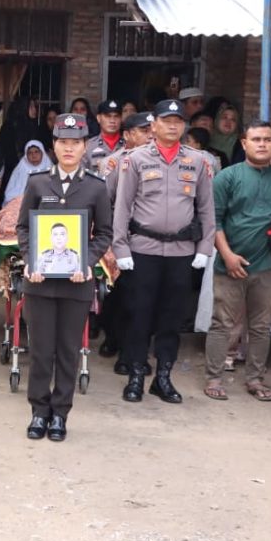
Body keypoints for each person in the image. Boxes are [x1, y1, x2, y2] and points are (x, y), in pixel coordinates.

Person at [112, 99, 216, 404]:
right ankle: (134, 377)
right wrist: (121, 247)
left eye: (178, 121)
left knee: (171, 319)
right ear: (153, 124)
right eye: (166, 120)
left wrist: (204, 247)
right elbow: (122, 206)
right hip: (142, 249)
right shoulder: (135, 160)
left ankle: (164, 378)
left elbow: (207, 210)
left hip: (181, 252)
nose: (173, 125)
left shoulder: (198, 161)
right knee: (139, 316)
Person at [17, 113, 113, 441]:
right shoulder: (38, 182)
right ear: (53, 146)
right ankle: (38, 411)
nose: (69, 148)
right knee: (41, 349)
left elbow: (104, 233)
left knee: (68, 351)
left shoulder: (96, 188)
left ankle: (60, 414)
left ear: (85, 147)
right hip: (41, 283)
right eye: (63, 142)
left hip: (76, 282)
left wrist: (87, 261)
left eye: (75, 143)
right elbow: (23, 228)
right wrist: (31, 259)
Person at [203, 121, 271, 402]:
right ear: (244, 143)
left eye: (267, 139)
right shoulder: (227, 177)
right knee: (221, 323)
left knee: (262, 327)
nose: (262, 144)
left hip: (267, 267)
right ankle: (214, 377)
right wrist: (226, 255)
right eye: (256, 139)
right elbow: (213, 221)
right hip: (229, 265)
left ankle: (255, 378)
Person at [95, 111, 153, 370]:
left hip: (150, 239)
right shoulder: (113, 163)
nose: (150, 134)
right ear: (128, 135)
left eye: (152, 129)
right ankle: (116, 342)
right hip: (121, 238)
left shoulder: (161, 161)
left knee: (145, 300)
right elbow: (104, 202)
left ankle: (134, 353)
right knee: (120, 297)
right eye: (143, 130)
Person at [82, 100, 124, 175]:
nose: (112, 121)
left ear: (121, 119)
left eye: (116, 116)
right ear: (98, 118)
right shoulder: (88, 146)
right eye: (108, 116)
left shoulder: (129, 145)